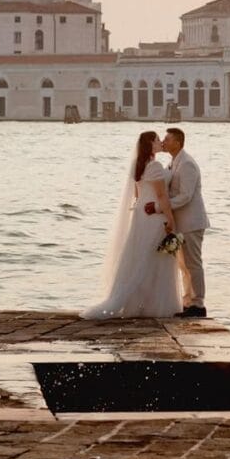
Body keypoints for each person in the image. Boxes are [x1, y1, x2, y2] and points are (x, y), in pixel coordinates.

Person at [80, 131, 182, 320]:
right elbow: (161, 196)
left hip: (142, 215)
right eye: (157, 140)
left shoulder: (139, 165)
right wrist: (170, 219)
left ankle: (137, 302)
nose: (161, 142)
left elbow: (137, 194)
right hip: (154, 216)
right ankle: (155, 305)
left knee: (141, 256)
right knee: (155, 259)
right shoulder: (155, 166)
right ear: (150, 144)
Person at [154, 126, 209, 318]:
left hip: (192, 222)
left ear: (178, 142)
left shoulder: (187, 164)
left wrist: (161, 207)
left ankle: (198, 304)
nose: (164, 142)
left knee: (193, 263)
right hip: (180, 223)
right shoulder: (173, 162)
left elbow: (185, 196)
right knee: (183, 265)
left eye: (167, 139)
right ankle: (187, 302)